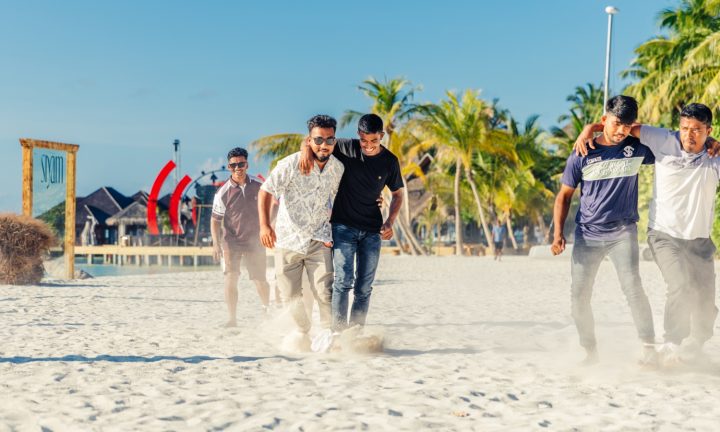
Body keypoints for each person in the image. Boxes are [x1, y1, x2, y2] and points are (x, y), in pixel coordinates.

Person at [574, 103, 719, 364]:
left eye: (697, 129)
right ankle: (671, 343)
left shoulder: (715, 156)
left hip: (700, 240)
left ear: (708, 131)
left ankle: (696, 343)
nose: (689, 134)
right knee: (680, 285)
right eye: (685, 128)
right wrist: (589, 128)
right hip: (664, 234)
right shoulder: (662, 138)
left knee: (706, 303)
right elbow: (621, 127)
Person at [551, 95, 657, 365]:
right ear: (604, 120)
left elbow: (670, 143)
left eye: (627, 125)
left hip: (623, 232)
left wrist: (709, 142)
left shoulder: (637, 148)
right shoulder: (582, 153)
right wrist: (558, 234)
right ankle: (590, 351)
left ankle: (649, 349)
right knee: (579, 296)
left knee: (633, 287)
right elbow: (564, 196)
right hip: (587, 235)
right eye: (616, 123)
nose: (621, 130)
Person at [300, 113, 404, 334]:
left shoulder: (390, 161)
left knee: (364, 287)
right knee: (343, 281)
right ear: (358, 135)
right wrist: (304, 151)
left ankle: (355, 333)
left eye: (374, 140)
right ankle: (338, 333)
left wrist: (390, 221)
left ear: (382, 136)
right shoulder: (346, 147)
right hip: (343, 226)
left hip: (372, 231)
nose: (368, 145)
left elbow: (398, 194)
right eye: (364, 140)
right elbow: (316, 142)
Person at [258, 114, 344, 350]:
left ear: (334, 141)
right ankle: (303, 331)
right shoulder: (291, 164)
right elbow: (266, 191)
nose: (324, 145)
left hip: (319, 238)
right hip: (288, 239)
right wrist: (265, 226)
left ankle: (328, 334)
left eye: (329, 140)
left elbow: (342, 200)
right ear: (309, 140)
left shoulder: (338, 168)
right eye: (318, 140)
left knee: (325, 291)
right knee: (289, 296)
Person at [211, 147, 271, 327]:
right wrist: (215, 243)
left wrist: (269, 228)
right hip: (232, 242)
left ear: (247, 165)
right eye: (233, 165)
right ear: (229, 167)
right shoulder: (223, 192)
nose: (238, 168)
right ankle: (232, 319)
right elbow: (215, 220)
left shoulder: (259, 185)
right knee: (231, 277)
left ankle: (266, 310)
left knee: (260, 280)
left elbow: (270, 208)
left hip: (255, 241)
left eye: (241, 164)